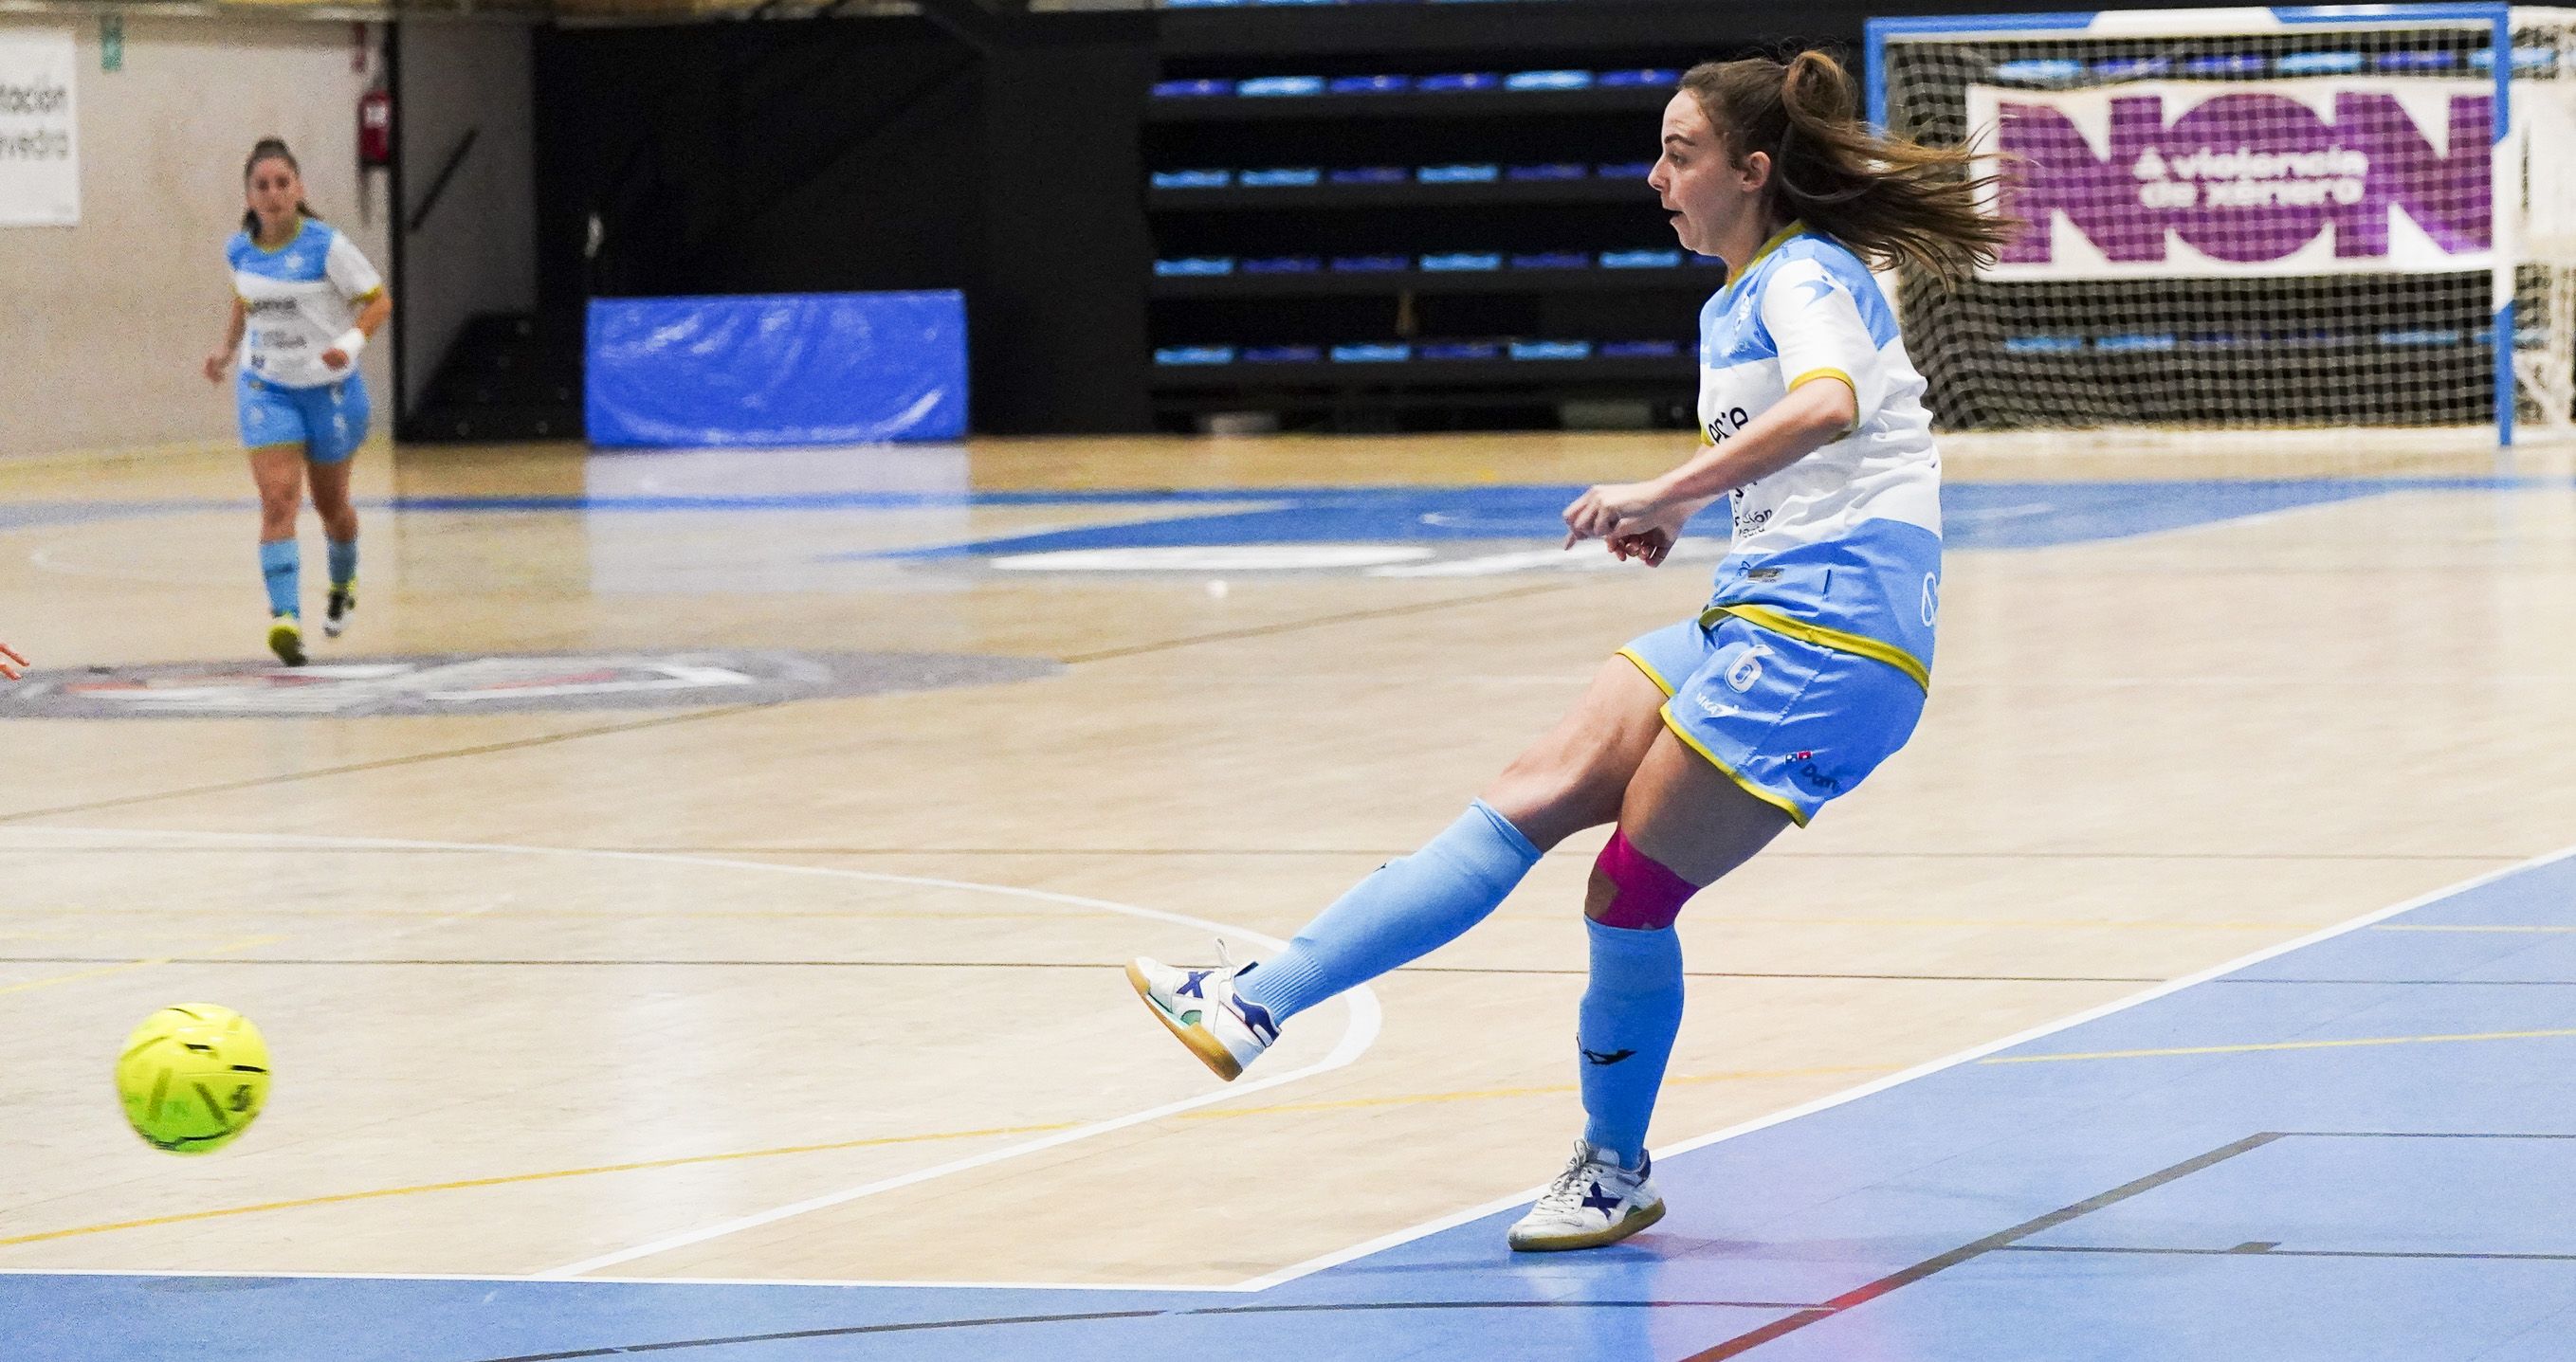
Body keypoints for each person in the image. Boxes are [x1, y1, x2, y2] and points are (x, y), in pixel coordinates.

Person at [1125, 50, 2009, 1252]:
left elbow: (1825, 410)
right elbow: (1801, 453)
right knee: (1527, 792)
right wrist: (1692, 510)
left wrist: (1661, 484)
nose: (1654, 178)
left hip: (1836, 641)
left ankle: (1612, 1166)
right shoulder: (1737, 294)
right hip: (1758, 611)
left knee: (1625, 896)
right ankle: (1254, 1005)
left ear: (1752, 171)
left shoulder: (1805, 271)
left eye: (1678, 153)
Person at [201, 138, 391, 666]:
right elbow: (245, 301)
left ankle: (343, 580)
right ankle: (285, 619)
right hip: (267, 386)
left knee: (332, 507)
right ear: (249, 195)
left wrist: (347, 345)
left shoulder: (327, 247)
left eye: (282, 183)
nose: (273, 194)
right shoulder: (238, 249)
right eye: (262, 185)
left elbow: (378, 303)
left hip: (329, 390)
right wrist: (225, 350)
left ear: (299, 188)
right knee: (279, 500)